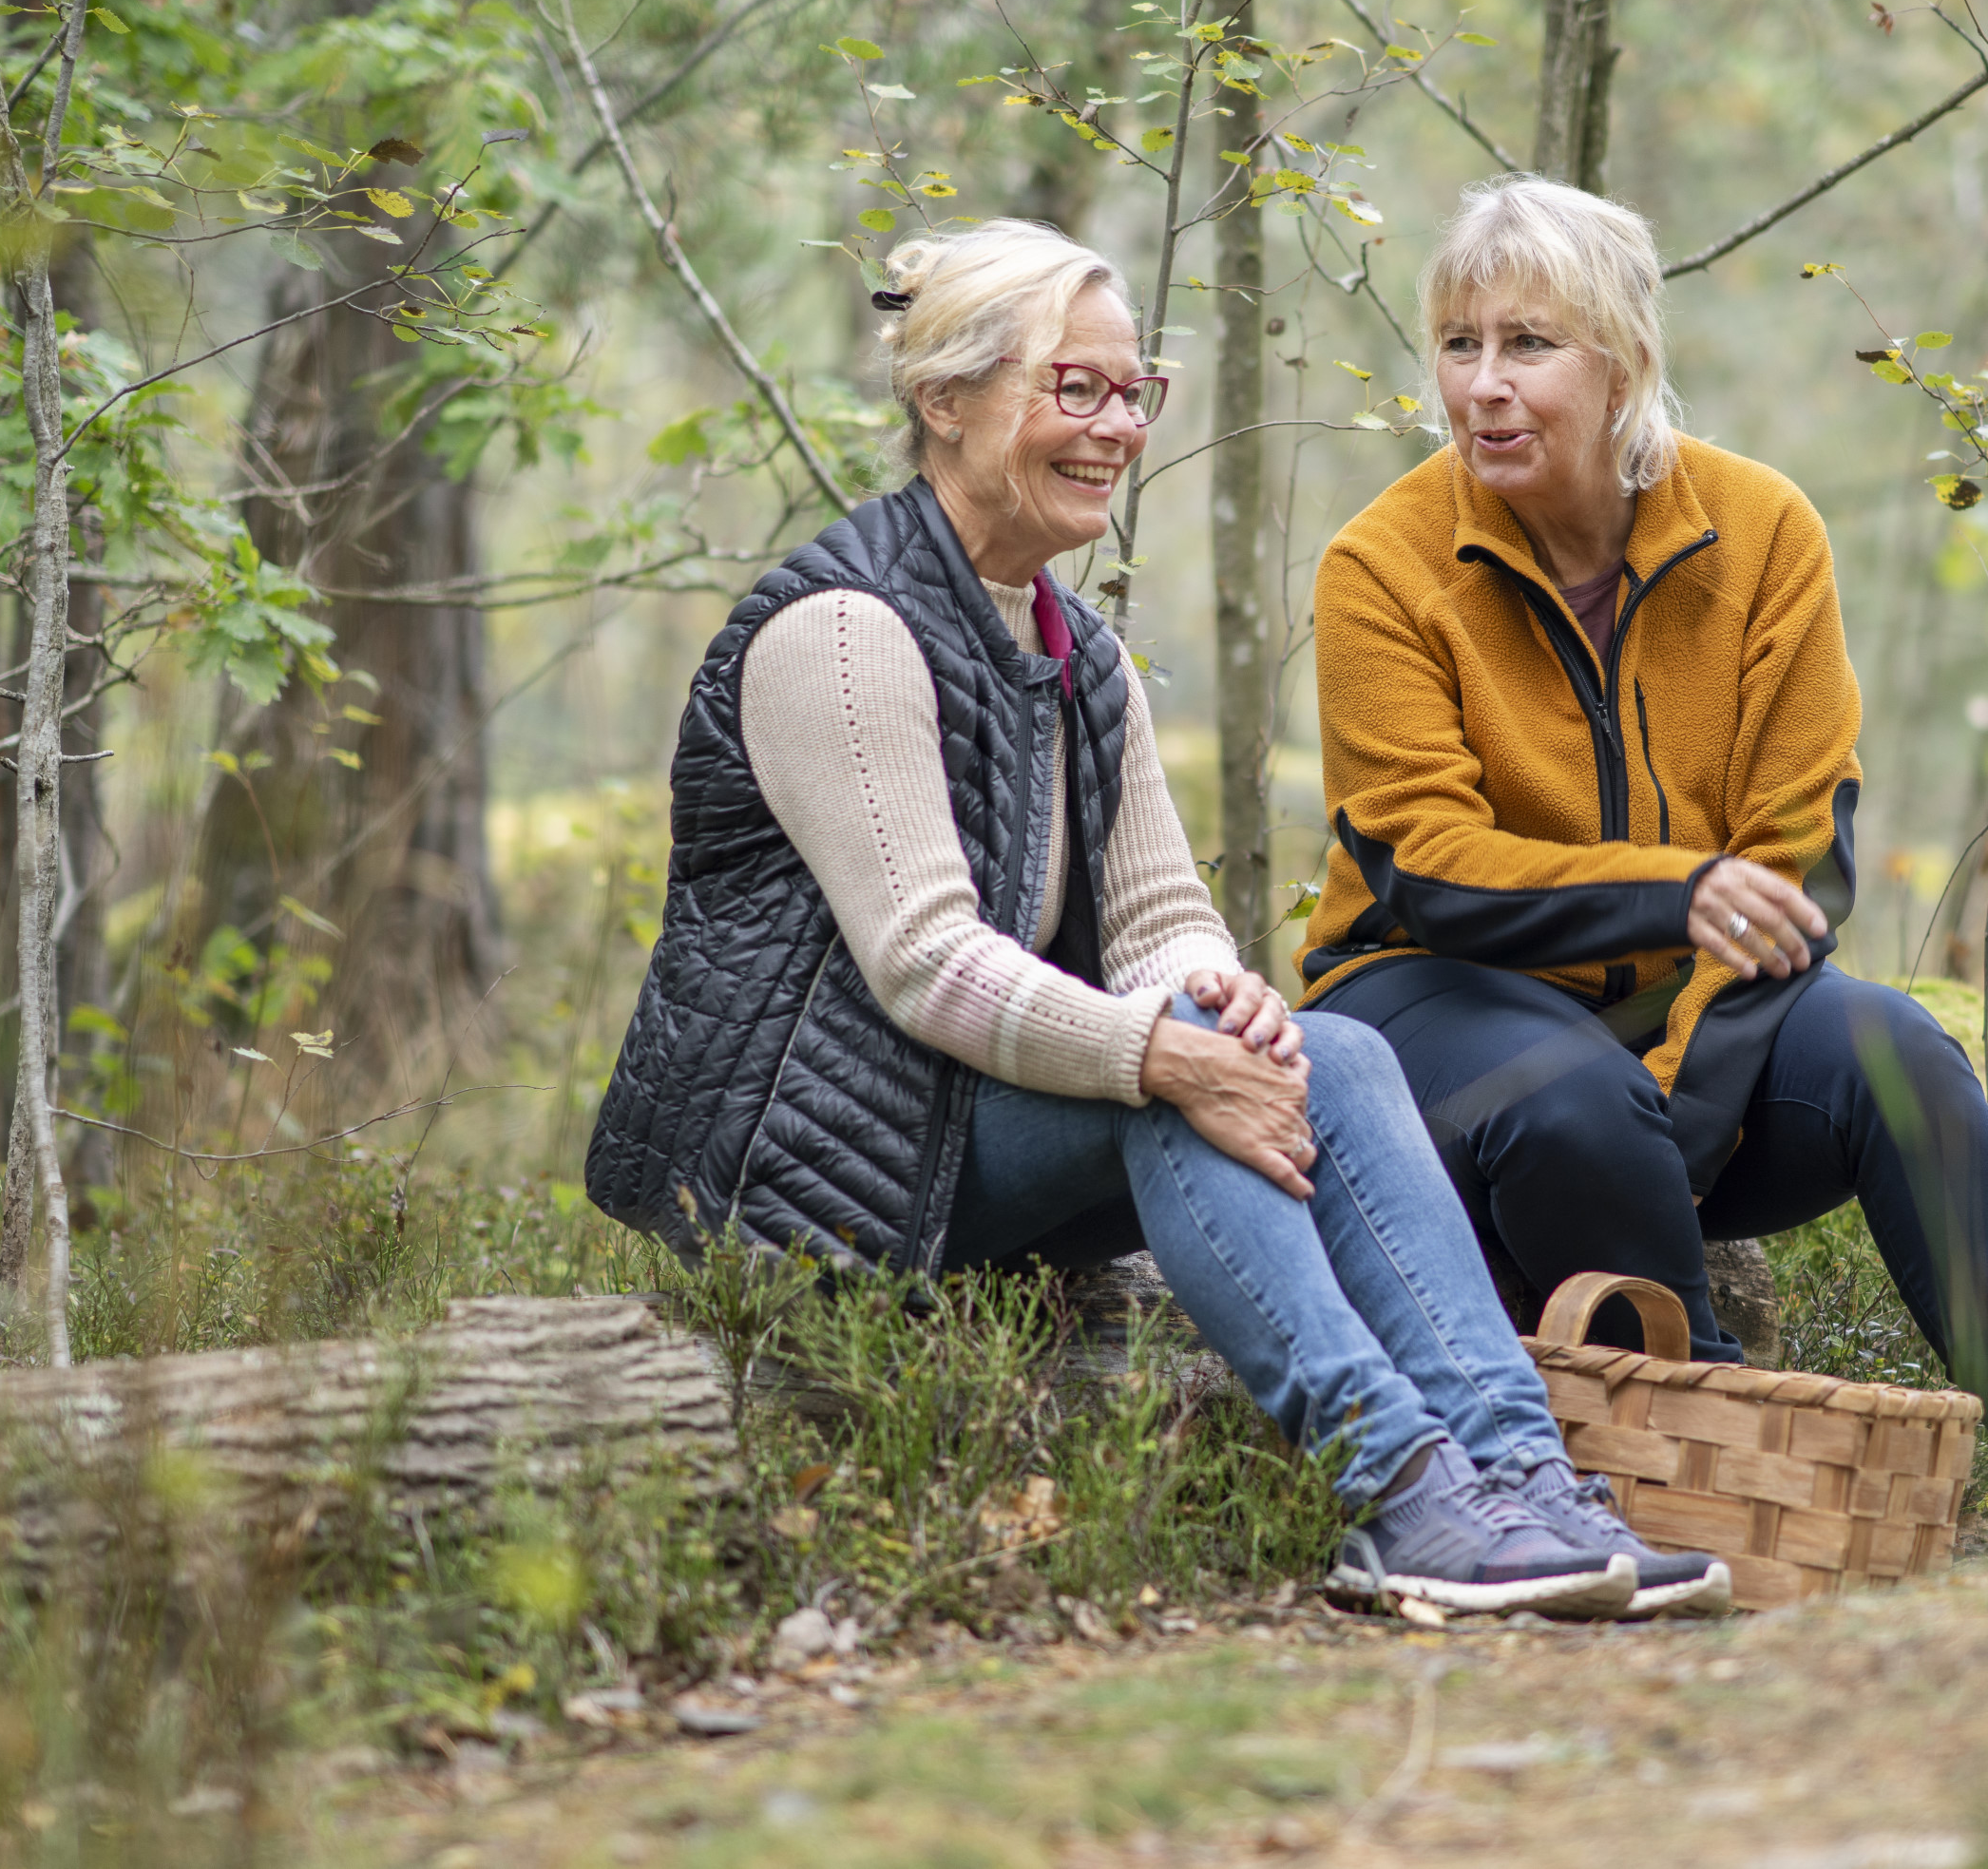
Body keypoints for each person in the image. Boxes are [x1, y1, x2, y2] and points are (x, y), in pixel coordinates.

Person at [587, 219, 1727, 1618]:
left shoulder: (1076, 650)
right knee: (1180, 1075)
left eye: (1136, 392)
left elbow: (1164, 917)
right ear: (945, 400)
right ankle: (1400, 1488)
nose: (1115, 426)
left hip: (964, 1128)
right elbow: (927, 963)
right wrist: (1168, 1052)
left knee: (1331, 1052)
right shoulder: (840, 632)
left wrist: (1218, 1003)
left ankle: (1516, 1471)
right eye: (1076, 388)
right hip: (804, 1176)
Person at [1301, 173, 1988, 1380]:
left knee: (1902, 1053)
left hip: (1682, 1041)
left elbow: (1799, 862)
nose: (1483, 383)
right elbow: (1427, 867)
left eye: (1529, 343)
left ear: (1622, 359)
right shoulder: (1381, 565)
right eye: (1460, 344)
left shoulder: (1763, 529)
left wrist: (1672, 1093)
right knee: (1575, 1098)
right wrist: (1673, 892)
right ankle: (1713, 1445)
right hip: (1424, 998)